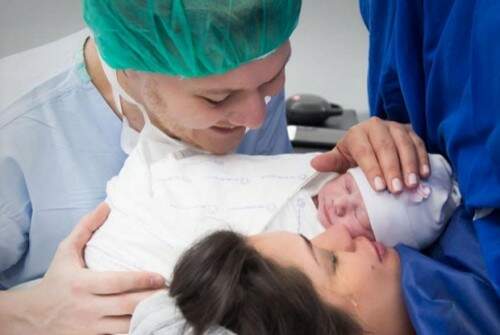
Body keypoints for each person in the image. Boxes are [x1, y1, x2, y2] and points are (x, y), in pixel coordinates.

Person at [0, 1, 307, 333]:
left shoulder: (247, 78)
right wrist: (28, 313)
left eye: (273, 79)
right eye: (216, 99)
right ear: (132, 71)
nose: (255, 118)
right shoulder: (17, 129)